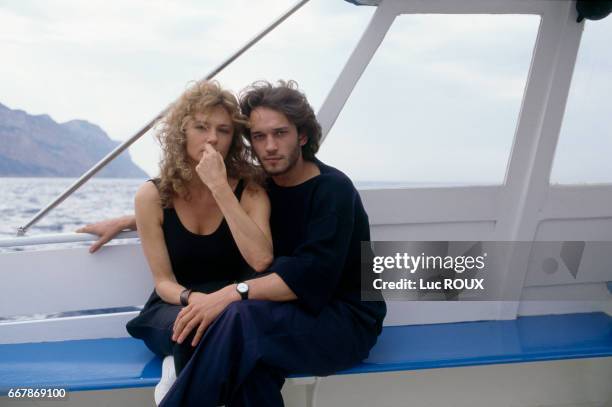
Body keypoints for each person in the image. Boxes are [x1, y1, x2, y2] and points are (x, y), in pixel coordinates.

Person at [78, 80, 386, 407]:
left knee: (238, 320)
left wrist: (230, 293)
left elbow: (309, 278)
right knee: (252, 366)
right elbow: (197, 205)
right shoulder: (266, 185)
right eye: (258, 136)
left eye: (280, 133)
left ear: (303, 136)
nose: (269, 146)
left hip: (343, 322)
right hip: (287, 316)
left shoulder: (333, 190)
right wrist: (133, 220)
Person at [85, 80, 273, 404]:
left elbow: (260, 260)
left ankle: (177, 375)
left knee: (236, 337)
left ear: (233, 139)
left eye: (223, 130)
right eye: (201, 127)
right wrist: (194, 299)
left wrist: (219, 187)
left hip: (229, 305)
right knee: (195, 330)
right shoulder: (152, 196)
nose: (212, 137)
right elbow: (163, 282)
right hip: (175, 305)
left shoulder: (250, 193)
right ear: (182, 132)